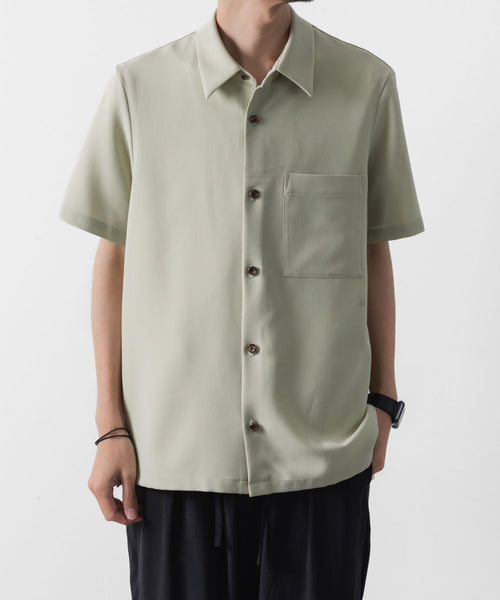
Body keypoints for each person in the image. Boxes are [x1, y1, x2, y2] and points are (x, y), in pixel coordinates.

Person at [59, 1, 424, 598]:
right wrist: (110, 427)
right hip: (174, 458)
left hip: (321, 459)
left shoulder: (367, 85)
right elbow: (115, 260)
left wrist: (383, 400)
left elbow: (371, 250)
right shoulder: (139, 89)